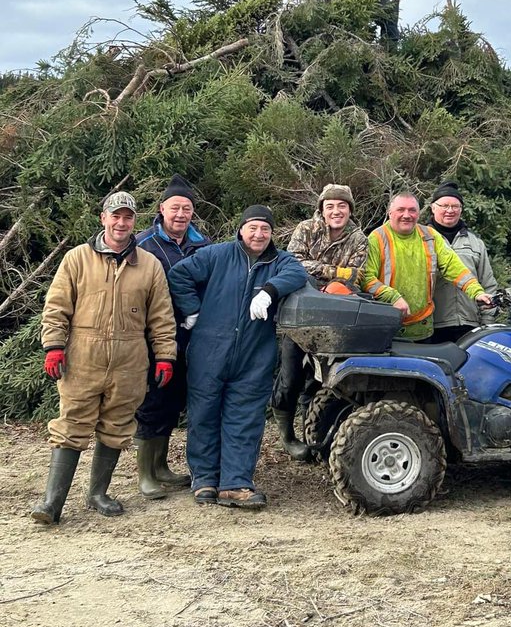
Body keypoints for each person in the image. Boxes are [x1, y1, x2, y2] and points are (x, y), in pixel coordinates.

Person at [31, 191, 177, 525]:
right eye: (116, 216)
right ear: (104, 219)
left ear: (134, 222)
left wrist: (165, 356)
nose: (121, 223)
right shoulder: (77, 259)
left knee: (117, 425)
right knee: (72, 424)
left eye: (128, 217)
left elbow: (161, 317)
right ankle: (51, 503)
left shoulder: (149, 265)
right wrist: (53, 346)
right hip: (83, 353)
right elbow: (56, 307)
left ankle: (98, 494)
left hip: (130, 357)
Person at [168, 205, 308, 509]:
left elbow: (298, 273)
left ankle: (235, 483)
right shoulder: (216, 255)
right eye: (253, 228)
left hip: (254, 355)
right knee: (204, 413)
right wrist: (192, 309)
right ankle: (204, 479)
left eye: (265, 229)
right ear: (241, 229)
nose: (258, 234)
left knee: (243, 417)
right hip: (209, 349)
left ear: (272, 234)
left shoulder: (280, 260)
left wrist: (269, 290)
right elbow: (179, 275)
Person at [271, 184, 368, 460]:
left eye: (342, 206)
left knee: (321, 380)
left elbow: (355, 277)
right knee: (289, 377)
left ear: (349, 209)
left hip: (336, 318)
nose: (336, 211)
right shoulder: (306, 229)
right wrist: (332, 271)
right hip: (300, 315)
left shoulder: (359, 239)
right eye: (330, 206)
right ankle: (287, 436)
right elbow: (291, 264)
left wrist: (330, 277)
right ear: (322, 209)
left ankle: (312, 437)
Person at [133, 174, 212, 498]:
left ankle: (162, 465)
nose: (181, 215)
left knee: (175, 399)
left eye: (187, 209)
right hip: (153, 334)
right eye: (175, 208)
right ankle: (145, 474)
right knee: (153, 400)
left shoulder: (202, 244)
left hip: (190, 333)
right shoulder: (143, 243)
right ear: (162, 208)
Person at [362, 192, 493, 341]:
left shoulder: (429, 235)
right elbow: (366, 277)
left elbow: (453, 266)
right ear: (390, 212)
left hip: (424, 330)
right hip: (388, 329)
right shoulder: (377, 237)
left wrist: (477, 292)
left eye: (412, 210)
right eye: (401, 209)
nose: (407, 215)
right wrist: (393, 297)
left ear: (419, 213)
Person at [427, 180, 499, 343]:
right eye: (444, 205)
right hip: (432, 327)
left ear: (461, 209)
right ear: (433, 207)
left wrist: (487, 323)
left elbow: (488, 284)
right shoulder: (422, 241)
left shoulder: (475, 243)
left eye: (455, 206)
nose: (450, 210)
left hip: (470, 326)